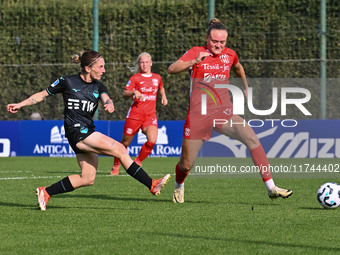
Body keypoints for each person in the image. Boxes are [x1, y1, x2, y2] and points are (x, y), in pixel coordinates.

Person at [6, 50, 170, 211]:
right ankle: (152, 184)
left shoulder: (99, 86)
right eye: (100, 67)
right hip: (77, 132)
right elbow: (42, 95)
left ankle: (46, 192)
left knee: (88, 178)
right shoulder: (67, 81)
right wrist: (20, 104)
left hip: (86, 132)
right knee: (120, 149)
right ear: (87, 68)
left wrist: (108, 102)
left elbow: (105, 96)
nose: (104, 70)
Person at [168, 18, 292, 203]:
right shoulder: (197, 52)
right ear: (206, 39)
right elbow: (172, 69)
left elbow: (238, 67)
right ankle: (179, 184)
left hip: (223, 112)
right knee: (186, 165)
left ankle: (271, 187)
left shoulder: (230, 55)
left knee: (251, 138)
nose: (218, 46)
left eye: (222, 42)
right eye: (214, 41)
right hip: (198, 116)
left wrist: (245, 86)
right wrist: (194, 61)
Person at [110, 52, 168, 175]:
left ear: (151, 63)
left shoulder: (157, 78)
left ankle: (138, 161)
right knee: (125, 143)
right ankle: (116, 164)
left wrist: (163, 96)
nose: (144, 64)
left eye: (147, 62)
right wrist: (133, 92)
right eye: (142, 62)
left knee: (152, 140)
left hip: (150, 116)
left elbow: (161, 87)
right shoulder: (135, 78)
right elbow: (125, 92)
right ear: (139, 64)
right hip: (134, 116)